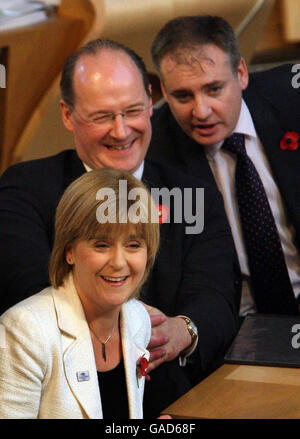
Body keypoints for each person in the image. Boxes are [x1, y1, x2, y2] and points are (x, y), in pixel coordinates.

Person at [0, 38, 239, 416]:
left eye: (132, 111)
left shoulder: (190, 190)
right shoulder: (25, 189)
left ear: (150, 102)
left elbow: (218, 290)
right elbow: (26, 294)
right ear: (67, 115)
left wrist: (184, 329)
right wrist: (127, 320)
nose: (121, 130)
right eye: (101, 116)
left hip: (179, 398)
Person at [148, 15, 300, 318]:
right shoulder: (153, 153)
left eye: (214, 89)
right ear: (164, 92)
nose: (201, 111)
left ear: (241, 73)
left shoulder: (292, 102)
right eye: (182, 96)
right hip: (233, 324)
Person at [0, 168, 159, 419]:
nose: (119, 262)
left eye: (133, 245)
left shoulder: (138, 319)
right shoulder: (25, 330)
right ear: (69, 251)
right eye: (101, 245)